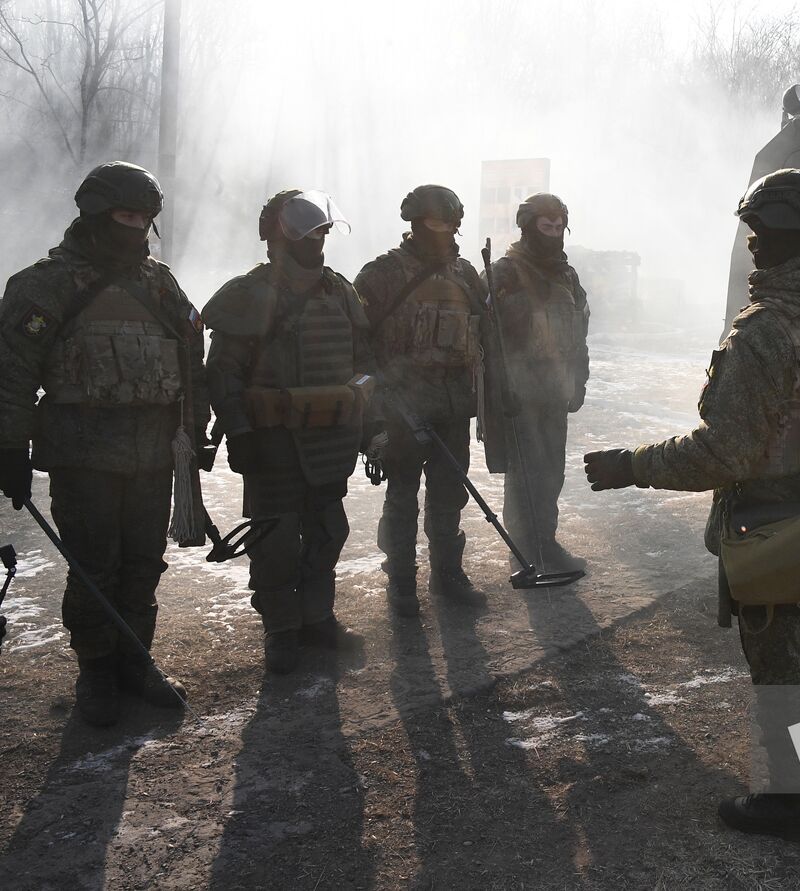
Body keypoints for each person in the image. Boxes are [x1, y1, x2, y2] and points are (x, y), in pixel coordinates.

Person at [584, 169, 800, 841]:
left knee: (782, 665)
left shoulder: (765, 331)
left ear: (782, 238)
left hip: (772, 523)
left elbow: (727, 452)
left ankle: (788, 804)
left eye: (759, 233)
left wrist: (633, 466)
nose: (752, 246)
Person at [0, 161, 206, 725]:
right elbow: (11, 372)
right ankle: (96, 672)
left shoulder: (157, 282)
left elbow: (192, 355)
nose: (136, 227)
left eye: (145, 218)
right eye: (125, 215)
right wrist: (10, 448)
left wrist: (196, 431)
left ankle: (135, 663)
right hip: (83, 456)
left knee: (143, 565)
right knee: (94, 566)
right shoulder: (45, 285)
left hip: (153, 457)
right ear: (94, 214)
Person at [203, 189, 373, 674]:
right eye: (308, 231)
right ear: (278, 235)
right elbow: (224, 372)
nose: (318, 240)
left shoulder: (340, 292)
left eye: (323, 231)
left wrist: (364, 414)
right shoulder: (249, 295)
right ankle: (281, 630)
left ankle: (317, 618)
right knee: (275, 542)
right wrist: (239, 430)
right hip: (272, 440)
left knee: (327, 533)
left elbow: (366, 364)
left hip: (330, 440)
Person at [355, 185, 488, 616]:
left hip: (453, 406)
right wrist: (375, 409)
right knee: (402, 495)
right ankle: (402, 582)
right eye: (435, 223)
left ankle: (448, 575)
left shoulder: (466, 274)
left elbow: (484, 336)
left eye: (450, 224)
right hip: (401, 407)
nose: (444, 231)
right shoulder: (382, 275)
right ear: (414, 223)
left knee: (450, 497)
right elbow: (358, 345)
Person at [487, 193, 589, 570]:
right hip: (520, 393)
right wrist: (500, 391)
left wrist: (579, 379)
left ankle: (545, 541)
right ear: (529, 228)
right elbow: (487, 340)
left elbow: (579, 331)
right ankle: (525, 551)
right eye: (546, 227)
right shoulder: (505, 272)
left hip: (555, 391)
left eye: (559, 226)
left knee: (551, 471)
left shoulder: (567, 274)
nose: (554, 233)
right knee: (525, 474)